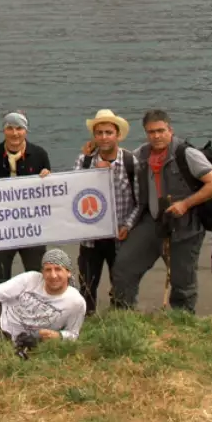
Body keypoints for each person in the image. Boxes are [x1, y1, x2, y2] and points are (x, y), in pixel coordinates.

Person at [111, 109, 212, 314]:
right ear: (146, 133)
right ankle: (123, 316)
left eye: (160, 130)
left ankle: (182, 322)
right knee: (123, 268)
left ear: (170, 130)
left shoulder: (187, 154)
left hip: (185, 227)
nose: (156, 136)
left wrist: (185, 204)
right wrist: (92, 151)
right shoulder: (140, 154)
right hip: (152, 222)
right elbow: (117, 162)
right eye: (151, 132)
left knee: (183, 281)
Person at [75, 109, 140, 315]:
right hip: (90, 237)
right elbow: (73, 196)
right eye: (99, 132)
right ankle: (87, 321)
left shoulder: (130, 162)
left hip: (120, 236)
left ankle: (122, 320)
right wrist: (95, 173)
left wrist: (128, 225)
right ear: (94, 136)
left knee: (121, 282)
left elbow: (140, 202)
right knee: (86, 285)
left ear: (117, 135)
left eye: (108, 132)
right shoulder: (84, 161)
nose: (104, 137)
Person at [0, 111, 52, 283]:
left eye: (19, 128)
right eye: (10, 128)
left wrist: (48, 178)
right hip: (1, 226)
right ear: (4, 130)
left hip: (32, 226)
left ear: (26, 131)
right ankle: (3, 309)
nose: (14, 133)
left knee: (37, 275)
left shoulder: (39, 154)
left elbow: (49, 194)